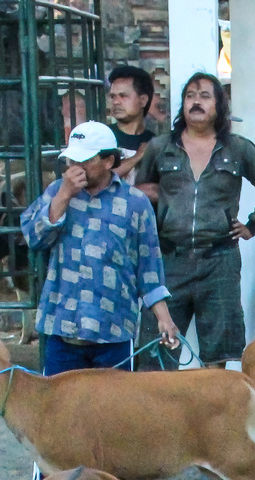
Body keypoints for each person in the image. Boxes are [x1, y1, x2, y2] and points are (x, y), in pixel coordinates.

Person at [133, 72, 255, 368]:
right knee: (156, 353)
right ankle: (160, 413)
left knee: (219, 353)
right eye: (190, 96)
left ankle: (214, 412)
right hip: (169, 260)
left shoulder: (237, 148)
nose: (196, 102)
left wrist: (253, 225)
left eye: (204, 96)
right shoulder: (161, 147)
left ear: (219, 106)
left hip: (220, 262)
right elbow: (140, 193)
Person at [21, 121, 179, 374]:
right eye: (71, 161)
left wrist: (164, 318)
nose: (75, 168)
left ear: (108, 161)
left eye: (85, 161)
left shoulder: (135, 204)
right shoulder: (56, 192)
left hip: (113, 332)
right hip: (62, 330)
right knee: (60, 410)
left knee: (111, 412)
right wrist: (64, 195)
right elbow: (34, 237)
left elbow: (149, 267)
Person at [106, 64, 155, 181]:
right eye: (113, 96)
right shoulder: (102, 136)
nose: (116, 102)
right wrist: (137, 157)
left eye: (123, 96)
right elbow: (100, 181)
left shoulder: (156, 143)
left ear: (143, 100)